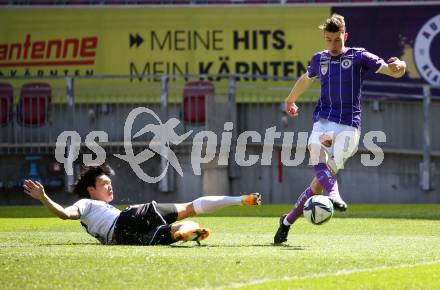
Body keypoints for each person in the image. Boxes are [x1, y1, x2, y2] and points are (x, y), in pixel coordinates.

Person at [274, 14, 406, 244]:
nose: (333, 45)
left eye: (337, 40)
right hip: (324, 120)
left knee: (318, 183)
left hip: (349, 127)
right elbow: (307, 79)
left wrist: (400, 65)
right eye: (328, 40)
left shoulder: (359, 56)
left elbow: (392, 69)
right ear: (324, 38)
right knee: (315, 149)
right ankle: (334, 195)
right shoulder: (319, 59)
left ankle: (286, 221)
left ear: (345, 36)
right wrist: (290, 100)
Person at [23, 164, 261, 246]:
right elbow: (65, 214)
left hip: (124, 238)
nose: (110, 187)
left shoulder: (94, 217)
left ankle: (185, 233)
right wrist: (44, 197)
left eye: (110, 183)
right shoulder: (85, 203)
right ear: (91, 190)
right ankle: (240, 199)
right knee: (190, 207)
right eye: (104, 184)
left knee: (172, 232)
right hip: (127, 220)